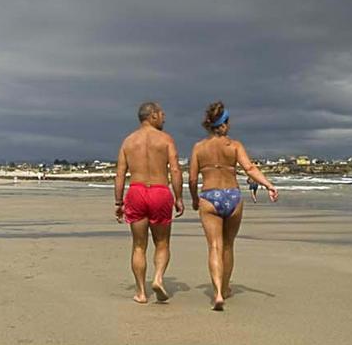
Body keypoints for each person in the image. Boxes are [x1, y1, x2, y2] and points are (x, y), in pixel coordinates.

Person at [189, 102, 278, 311]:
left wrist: (194, 199)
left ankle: (218, 292)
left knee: (214, 246)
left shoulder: (199, 148)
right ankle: (226, 287)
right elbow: (249, 168)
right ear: (224, 124)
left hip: (209, 197)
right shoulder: (235, 146)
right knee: (228, 246)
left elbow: (193, 179)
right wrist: (269, 185)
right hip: (233, 196)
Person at [114, 102, 184, 304]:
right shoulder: (165, 139)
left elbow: (120, 174)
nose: (164, 118)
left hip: (136, 191)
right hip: (160, 191)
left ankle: (141, 292)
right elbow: (175, 171)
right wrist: (178, 197)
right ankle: (158, 278)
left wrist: (118, 202)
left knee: (138, 245)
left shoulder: (128, 142)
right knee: (162, 243)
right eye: (162, 114)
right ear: (152, 116)